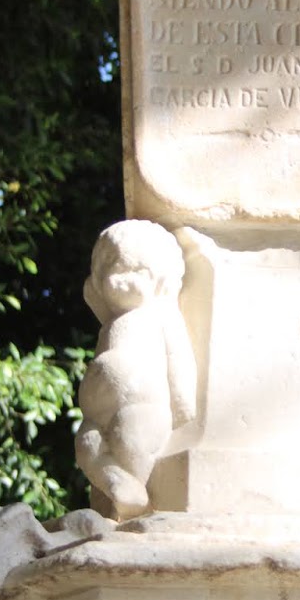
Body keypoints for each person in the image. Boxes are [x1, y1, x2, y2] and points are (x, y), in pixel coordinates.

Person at [75, 220, 196, 519]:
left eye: (138, 272)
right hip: (96, 414)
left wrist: (182, 403)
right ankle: (117, 483)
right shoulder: (110, 325)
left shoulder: (162, 315)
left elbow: (178, 359)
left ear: (161, 279)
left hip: (142, 406)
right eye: (114, 270)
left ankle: (131, 498)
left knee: (130, 441)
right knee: (87, 446)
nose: (123, 281)